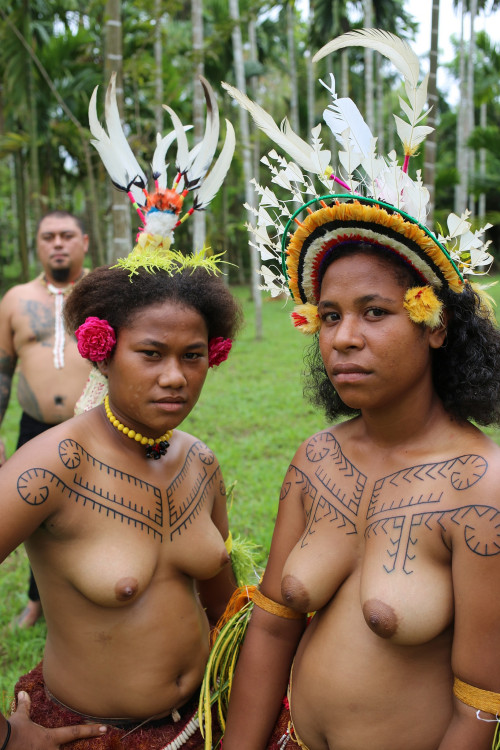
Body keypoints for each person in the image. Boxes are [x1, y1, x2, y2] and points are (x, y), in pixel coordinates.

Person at [220, 29, 500, 750]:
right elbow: (273, 629)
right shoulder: (316, 459)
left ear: (433, 325)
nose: (343, 337)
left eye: (375, 313)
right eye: (331, 316)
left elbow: (480, 705)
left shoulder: (481, 487)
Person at [0, 75, 240, 749]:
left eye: (194, 355)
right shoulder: (52, 464)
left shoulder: (201, 463)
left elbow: (225, 607)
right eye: (151, 353)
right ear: (102, 352)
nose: (175, 376)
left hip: (206, 724)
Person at [0, 210, 92, 627]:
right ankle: (38, 600)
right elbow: (2, 369)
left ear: (84, 242)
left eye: (67, 235)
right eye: (48, 236)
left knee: (96, 514)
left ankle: (92, 596)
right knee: (34, 519)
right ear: (37, 245)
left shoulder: (105, 290)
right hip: (34, 426)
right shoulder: (15, 299)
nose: (57, 243)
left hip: (95, 425)